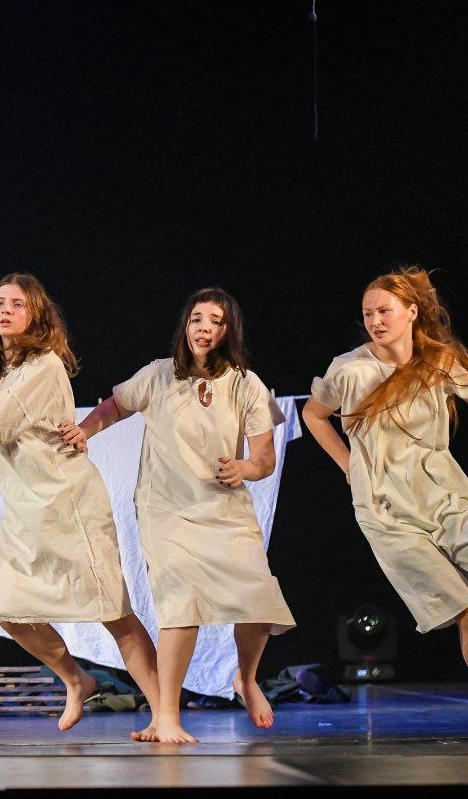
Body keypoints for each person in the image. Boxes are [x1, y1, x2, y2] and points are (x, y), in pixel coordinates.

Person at [302, 266, 468, 739]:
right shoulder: (349, 369)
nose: (375, 321)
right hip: (386, 511)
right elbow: (313, 413)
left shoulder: (438, 360)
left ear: (411, 312)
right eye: (368, 313)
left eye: (384, 311)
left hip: (446, 497)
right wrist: (348, 465)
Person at [0, 274, 162, 734]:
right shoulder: (4, 369)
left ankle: (163, 712)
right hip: (26, 512)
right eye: (0, 302)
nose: (5, 310)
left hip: (68, 506)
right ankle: (77, 680)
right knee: (8, 608)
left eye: (17, 303)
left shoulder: (43, 365)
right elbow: (10, 430)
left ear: (36, 314)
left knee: (113, 612)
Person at [61, 287, 295, 743]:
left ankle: (245, 679)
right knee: (181, 604)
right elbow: (116, 405)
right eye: (196, 319)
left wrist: (245, 468)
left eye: (215, 321)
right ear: (186, 326)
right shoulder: (159, 374)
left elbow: (264, 458)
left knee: (259, 600)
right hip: (165, 510)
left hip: (225, 510)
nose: (204, 328)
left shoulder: (246, 384)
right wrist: (85, 430)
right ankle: (165, 715)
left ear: (229, 331)